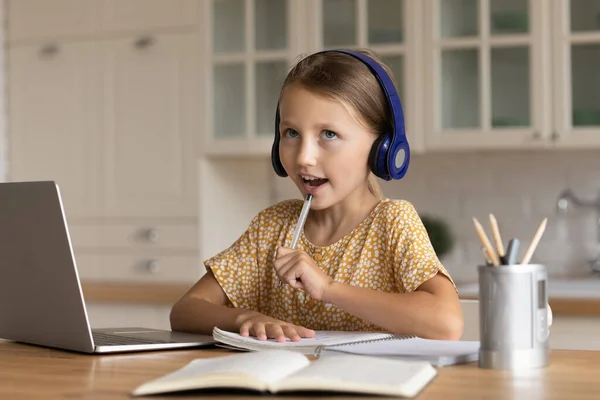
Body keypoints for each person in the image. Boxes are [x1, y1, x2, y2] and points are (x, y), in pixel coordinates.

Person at [170, 49, 463, 342]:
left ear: (382, 148)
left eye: (329, 134)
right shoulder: (273, 227)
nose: (304, 158)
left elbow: (446, 322)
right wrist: (246, 318)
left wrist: (328, 288)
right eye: (292, 133)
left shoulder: (392, 223)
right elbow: (185, 311)